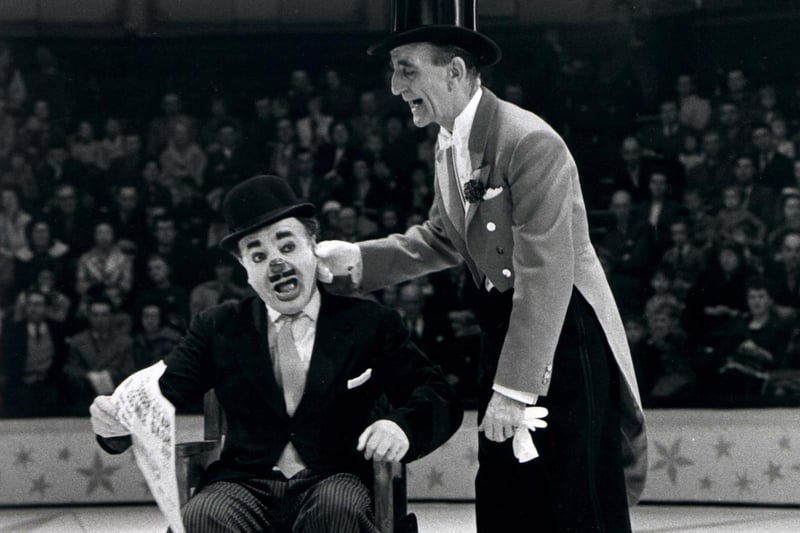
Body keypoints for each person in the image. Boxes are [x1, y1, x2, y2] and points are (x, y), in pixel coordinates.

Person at [317, 2, 647, 531]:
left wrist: (515, 389)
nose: (396, 87)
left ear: (454, 71)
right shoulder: (449, 145)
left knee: (574, 497)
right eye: (393, 71)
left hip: (563, 335)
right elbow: (440, 239)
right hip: (508, 328)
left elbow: (545, 271)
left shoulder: (530, 140)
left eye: (407, 70)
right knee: (503, 496)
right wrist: (357, 259)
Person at [89, 175, 462, 532]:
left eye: (287, 246)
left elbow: (436, 393)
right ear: (243, 268)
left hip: (335, 477)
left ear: (313, 245)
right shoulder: (219, 327)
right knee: (202, 515)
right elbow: (160, 390)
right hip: (246, 483)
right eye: (258, 255)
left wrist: (401, 425)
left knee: (337, 510)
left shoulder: (370, 322)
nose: (277, 263)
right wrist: (115, 424)